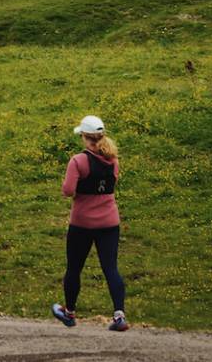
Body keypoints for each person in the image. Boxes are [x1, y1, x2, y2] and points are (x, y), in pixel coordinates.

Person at [52, 115, 127, 331]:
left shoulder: (78, 161)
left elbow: (67, 191)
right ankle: (119, 315)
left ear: (85, 137)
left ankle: (69, 313)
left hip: (82, 223)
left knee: (74, 268)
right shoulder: (113, 160)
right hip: (110, 222)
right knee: (111, 268)